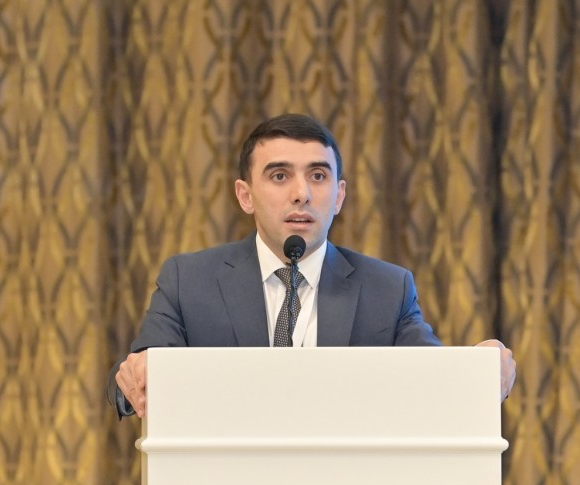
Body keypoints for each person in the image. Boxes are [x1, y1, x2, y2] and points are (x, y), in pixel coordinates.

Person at [109, 113, 516, 418]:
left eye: (318, 176)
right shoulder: (189, 281)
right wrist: (134, 377)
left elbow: (435, 378)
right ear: (245, 195)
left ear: (339, 196)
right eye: (279, 176)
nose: (301, 193)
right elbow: (137, 377)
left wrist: (480, 366)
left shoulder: (387, 289)